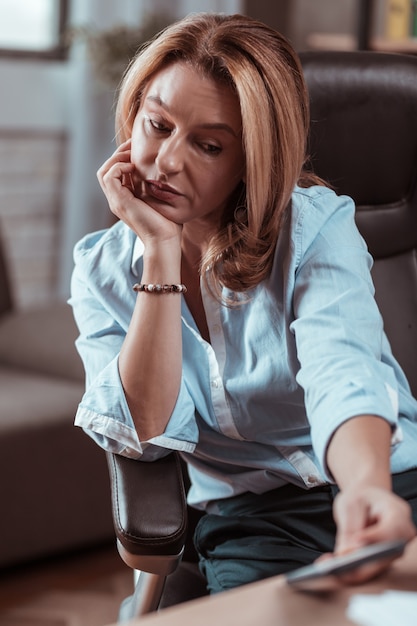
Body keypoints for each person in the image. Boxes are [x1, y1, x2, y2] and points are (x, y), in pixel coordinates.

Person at [70, 12, 417, 595]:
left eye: (208, 145)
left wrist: (366, 492)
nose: (167, 161)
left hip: (387, 481)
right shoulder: (102, 270)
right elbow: (148, 432)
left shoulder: (315, 228)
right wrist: (158, 252)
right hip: (259, 517)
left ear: (252, 158)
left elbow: (345, 371)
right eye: (157, 125)